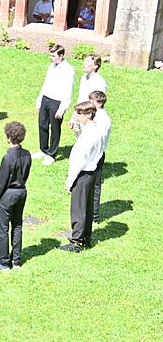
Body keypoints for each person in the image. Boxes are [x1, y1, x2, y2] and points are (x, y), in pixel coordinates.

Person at [0, 121, 31, 271]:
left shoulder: (8, 158)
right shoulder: (27, 155)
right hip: (21, 192)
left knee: (3, 229)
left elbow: (1, 182)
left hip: (8, 194)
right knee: (17, 225)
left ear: (8, 137)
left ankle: (4, 262)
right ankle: (16, 260)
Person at [61, 101, 103, 253]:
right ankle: (85, 238)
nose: (78, 117)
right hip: (91, 173)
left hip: (83, 174)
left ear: (89, 114)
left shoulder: (89, 134)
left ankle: (76, 242)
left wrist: (70, 181)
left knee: (78, 208)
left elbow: (79, 160)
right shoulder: (96, 129)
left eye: (80, 114)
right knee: (87, 206)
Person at [34, 44, 75, 166]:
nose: (51, 58)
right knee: (42, 124)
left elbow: (68, 90)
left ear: (61, 56)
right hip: (46, 98)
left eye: (53, 55)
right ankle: (43, 149)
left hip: (57, 101)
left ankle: (52, 153)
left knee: (55, 128)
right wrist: (39, 101)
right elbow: (45, 84)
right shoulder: (51, 66)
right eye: (50, 55)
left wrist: (62, 109)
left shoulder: (68, 70)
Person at [69, 54, 107, 137]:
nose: (84, 64)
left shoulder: (99, 81)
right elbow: (80, 98)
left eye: (88, 61)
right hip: (80, 112)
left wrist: (91, 117)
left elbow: (98, 102)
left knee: (87, 138)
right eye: (85, 61)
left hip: (89, 115)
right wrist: (74, 115)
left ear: (95, 66)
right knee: (78, 139)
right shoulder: (83, 78)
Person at [89, 90, 111, 224]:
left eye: (91, 101)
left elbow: (99, 139)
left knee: (95, 185)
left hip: (97, 154)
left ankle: (94, 215)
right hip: (93, 153)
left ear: (98, 102)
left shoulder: (103, 119)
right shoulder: (96, 115)